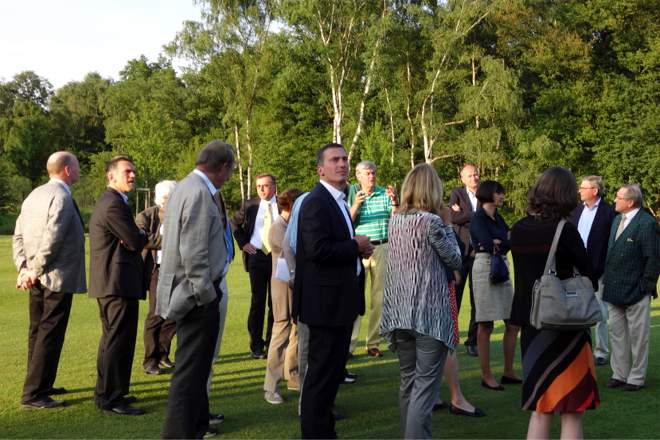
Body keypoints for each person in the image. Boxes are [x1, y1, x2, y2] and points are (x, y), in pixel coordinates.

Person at [510, 167, 599, 439]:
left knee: (541, 408)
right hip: (566, 324)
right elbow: (589, 274)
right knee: (572, 410)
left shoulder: (518, 229)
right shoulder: (565, 230)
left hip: (532, 325)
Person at [293, 143, 373, 439]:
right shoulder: (316, 201)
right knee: (320, 379)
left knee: (329, 379)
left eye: (345, 159)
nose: (342, 164)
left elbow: (332, 246)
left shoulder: (337, 199)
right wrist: (355, 245)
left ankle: (325, 432)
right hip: (324, 306)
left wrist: (357, 250)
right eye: (334, 160)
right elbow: (317, 250)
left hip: (339, 302)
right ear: (320, 169)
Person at [157, 140, 235, 439]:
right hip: (196, 297)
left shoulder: (185, 186)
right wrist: (206, 295)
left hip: (188, 292)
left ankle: (196, 426)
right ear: (223, 167)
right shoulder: (200, 193)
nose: (229, 177)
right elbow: (194, 254)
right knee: (189, 373)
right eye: (230, 171)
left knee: (195, 369)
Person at [381, 163, 462, 439]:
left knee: (408, 383)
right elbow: (455, 259)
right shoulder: (432, 222)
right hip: (429, 315)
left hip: (400, 313)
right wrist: (449, 226)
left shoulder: (396, 220)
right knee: (424, 388)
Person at [12, 151, 86, 409]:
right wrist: (34, 269)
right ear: (67, 170)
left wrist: (23, 267)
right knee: (50, 333)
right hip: (55, 276)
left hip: (36, 276)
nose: (79, 170)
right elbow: (53, 238)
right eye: (77, 166)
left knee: (37, 331)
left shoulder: (34, 195)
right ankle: (34, 393)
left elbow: (18, 235)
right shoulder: (62, 196)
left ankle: (40, 383)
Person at [89, 155, 147, 415]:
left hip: (115, 282)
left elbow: (131, 239)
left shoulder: (114, 201)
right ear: (111, 176)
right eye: (127, 172)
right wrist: (140, 235)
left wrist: (135, 236)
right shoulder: (112, 204)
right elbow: (135, 240)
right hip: (116, 282)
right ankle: (111, 397)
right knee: (117, 340)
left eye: (133, 171)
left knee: (113, 339)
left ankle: (109, 392)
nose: (132, 175)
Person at [602, 184, 659, 391]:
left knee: (638, 338)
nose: (614, 200)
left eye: (618, 197)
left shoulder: (646, 223)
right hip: (614, 289)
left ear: (630, 202)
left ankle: (636, 377)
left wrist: (645, 286)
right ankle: (619, 374)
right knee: (617, 335)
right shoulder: (617, 220)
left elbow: (653, 258)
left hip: (636, 291)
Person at [469, 180, 520, 390]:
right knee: (486, 324)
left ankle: (508, 371)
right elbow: (487, 242)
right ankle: (487, 375)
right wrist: (498, 241)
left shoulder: (498, 217)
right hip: (484, 268)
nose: (502, 196)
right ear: (488, 194)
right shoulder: (477, 217)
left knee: (513, 322)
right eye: (499, 193)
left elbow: (509, 241)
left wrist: (500, 242)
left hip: (502, 267)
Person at [347, 161, 398, 358]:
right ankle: (349, 346)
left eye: (373, 173)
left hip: (382, 247)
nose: (371, 176)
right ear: (358, 176)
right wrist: (356, 204)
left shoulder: (385, 193)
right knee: (355, 298)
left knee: (379, 298)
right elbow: (347, 221)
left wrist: (394, 202)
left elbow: (395, 220)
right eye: (367, 173)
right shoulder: (354, 194)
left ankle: (373, 343)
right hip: (359, 250)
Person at [569, 176, 616, 366]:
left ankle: (601, 352)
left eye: (583, 187)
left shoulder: (609, 212)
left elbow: (611, 242)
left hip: (599, 271)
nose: (579, 190)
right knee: (576, 311)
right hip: (575, 270)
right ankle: (580, 348)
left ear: (595, 191)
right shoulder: (576, 211)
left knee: (601, 312)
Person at [263, 188, 303, 404]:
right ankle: (270, 386)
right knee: (280, 334)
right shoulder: (278, 227)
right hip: (282, 287)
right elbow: (292, 253)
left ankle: (293, 376)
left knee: (296, 332)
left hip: (295, 286)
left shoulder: (291, 225)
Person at [233, 174, 278, 359]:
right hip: (256, 257)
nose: (261, 189)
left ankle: (272, 344)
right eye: (258, 186)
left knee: (275, 302)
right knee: (257, 301)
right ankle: (256, 345)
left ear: (274, 187)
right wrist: (243, 243)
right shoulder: (250, 205)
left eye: (265, 186)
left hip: (277, 257)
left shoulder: (284, 204)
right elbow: (234, 224)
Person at [137, 180, 177, 375]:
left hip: (178, 270)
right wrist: (171, 240)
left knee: (175, 314)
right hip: (157, 270)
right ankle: (150, 360)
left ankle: (162, 354)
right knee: (156, 314)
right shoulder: (146, 216)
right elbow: (143, 239)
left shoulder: (180, 214)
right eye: (166, 197)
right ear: (160, 198)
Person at [448, 164, 480, 356]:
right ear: (462, 178)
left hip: (479, 253)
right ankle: (450, 338)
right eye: (470, 175)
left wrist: (464, 214)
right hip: (461, 253)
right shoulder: (457, 193)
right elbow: (453, 218)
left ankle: (473, 341)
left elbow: (489, 216)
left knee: (477, 299)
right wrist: (476, 215)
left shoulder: (485, 194)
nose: (474, 178)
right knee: (456, 297)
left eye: (476, 174)